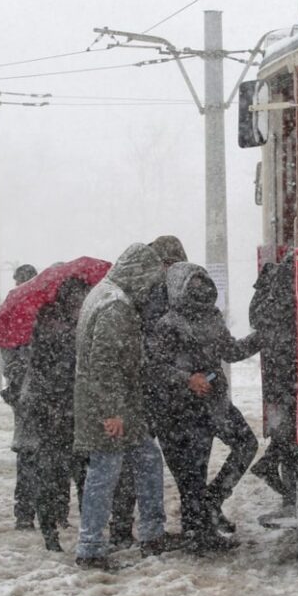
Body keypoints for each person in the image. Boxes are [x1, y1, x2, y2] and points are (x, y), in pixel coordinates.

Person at [73, 243, 181, 570]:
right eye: (149, 278)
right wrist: (111, 412)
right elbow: (104, 362)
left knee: (146, 460)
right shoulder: (115, 305)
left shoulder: (105, 293)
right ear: (138, 272)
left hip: (121, 405)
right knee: (104, 474)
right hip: (111, 407)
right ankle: (90, 548)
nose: (151, 288)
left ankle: (152, 532)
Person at [146, 261, 261, 552]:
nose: (200, 294)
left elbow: (230, 351)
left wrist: (261, 338)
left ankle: (212, 501)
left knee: (246, 443)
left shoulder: (212, 316)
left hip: (215, 403)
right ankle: (198, 534)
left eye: (204, 287)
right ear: (178, 290)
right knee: (191, 475)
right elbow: (154, 369)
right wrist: (187, 379)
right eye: (194, 288)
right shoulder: (167, 325)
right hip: (179, 411)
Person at [109, 234, 185, 548]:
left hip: (147, 388)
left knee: (138, 462)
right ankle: (141, 532)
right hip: (147, 390)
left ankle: (125, 529)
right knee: (141, 461)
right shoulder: (154, 295)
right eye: (172, 264)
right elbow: (152, 347)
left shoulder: (142, 292)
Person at [21, 276, 90, 552]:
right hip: (52, 413)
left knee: (82, 474)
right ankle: (51, 532)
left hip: (72, 412)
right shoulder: (52, 325)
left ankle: (84, 532)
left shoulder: (78, 324)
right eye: (81, 298)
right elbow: (39, 370)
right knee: (51, 475)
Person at [248, 253, 298, 506]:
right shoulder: (291, 276)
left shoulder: (274, 280)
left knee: (288, 424)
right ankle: (275, 470)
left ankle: (272, 465)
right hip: (289, 364)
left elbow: (259, 320)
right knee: (294, 425)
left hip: (278, 365)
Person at [2, 263, 40, 531]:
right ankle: (28, 512)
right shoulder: (14, 316)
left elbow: (10, 362)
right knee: (33, 454)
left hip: (32, 395)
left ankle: (28, 512)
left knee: (32, 455)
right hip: (29, 396)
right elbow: (10, 362)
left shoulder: (31, 314)